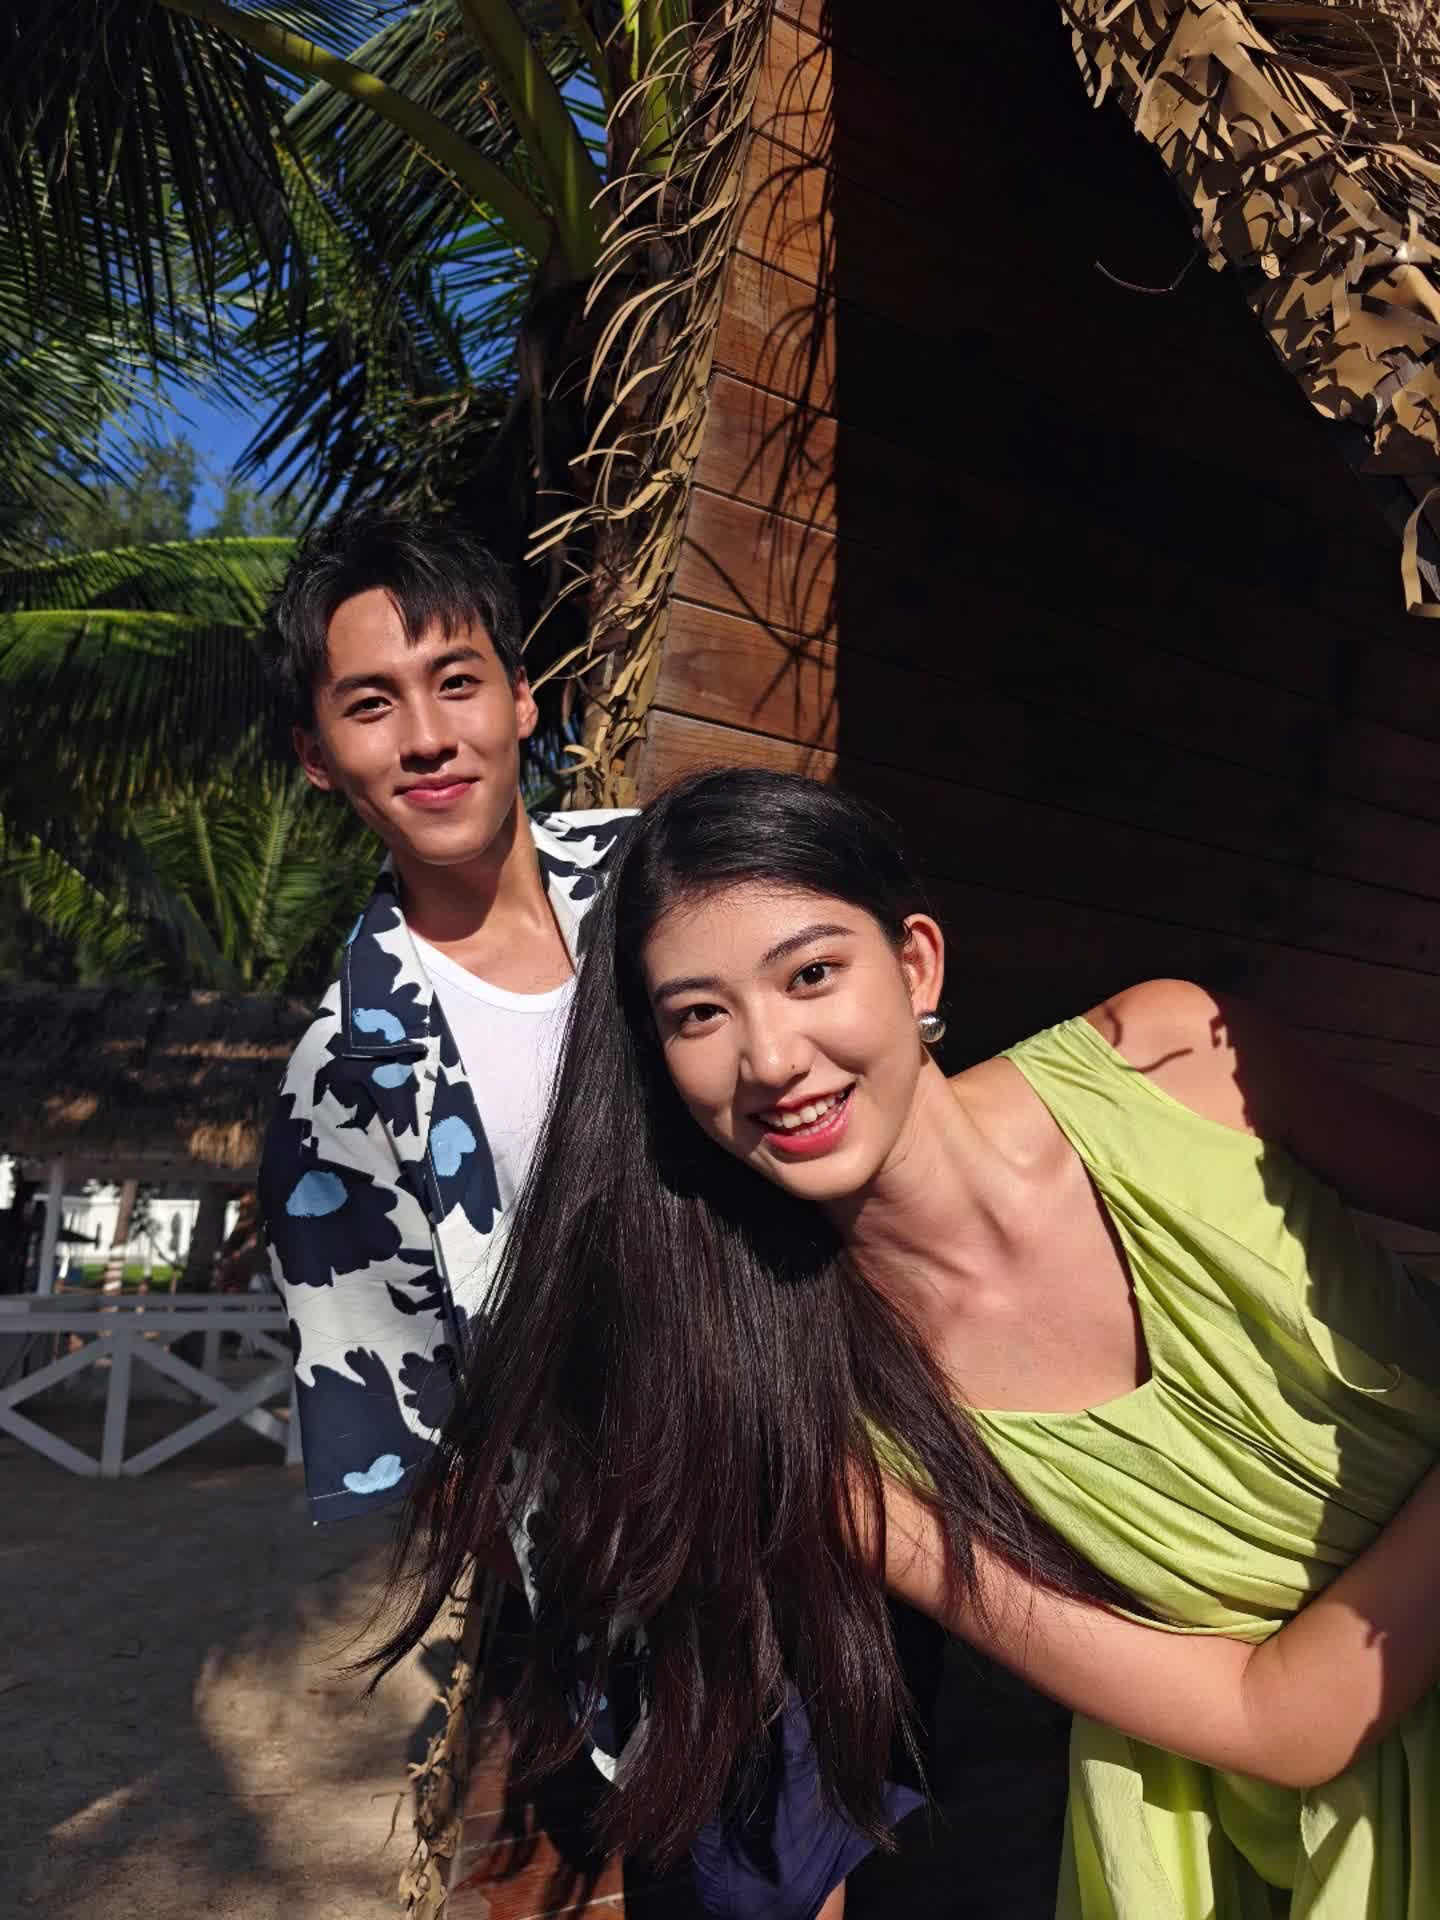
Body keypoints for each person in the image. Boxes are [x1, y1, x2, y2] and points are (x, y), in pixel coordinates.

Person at [377, 766, 1440, 1920]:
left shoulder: (1173, 1060)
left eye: (811, 973)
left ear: (917, 965)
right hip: (1297, 1825)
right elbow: (1278, 1723)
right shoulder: (831, 1436)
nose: (772, 1058)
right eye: (698, 1016)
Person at [257, 518, 934, 1918]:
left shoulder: (662, 882)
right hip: (659, 1577)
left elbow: (852, 1058)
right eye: (371, 705)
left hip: (865, 1461)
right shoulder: (339, 1087)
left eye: (457, 681)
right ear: (319, 757)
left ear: (523, 700)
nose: (428, 737)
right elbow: (419, 1435)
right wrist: (589, 1541)